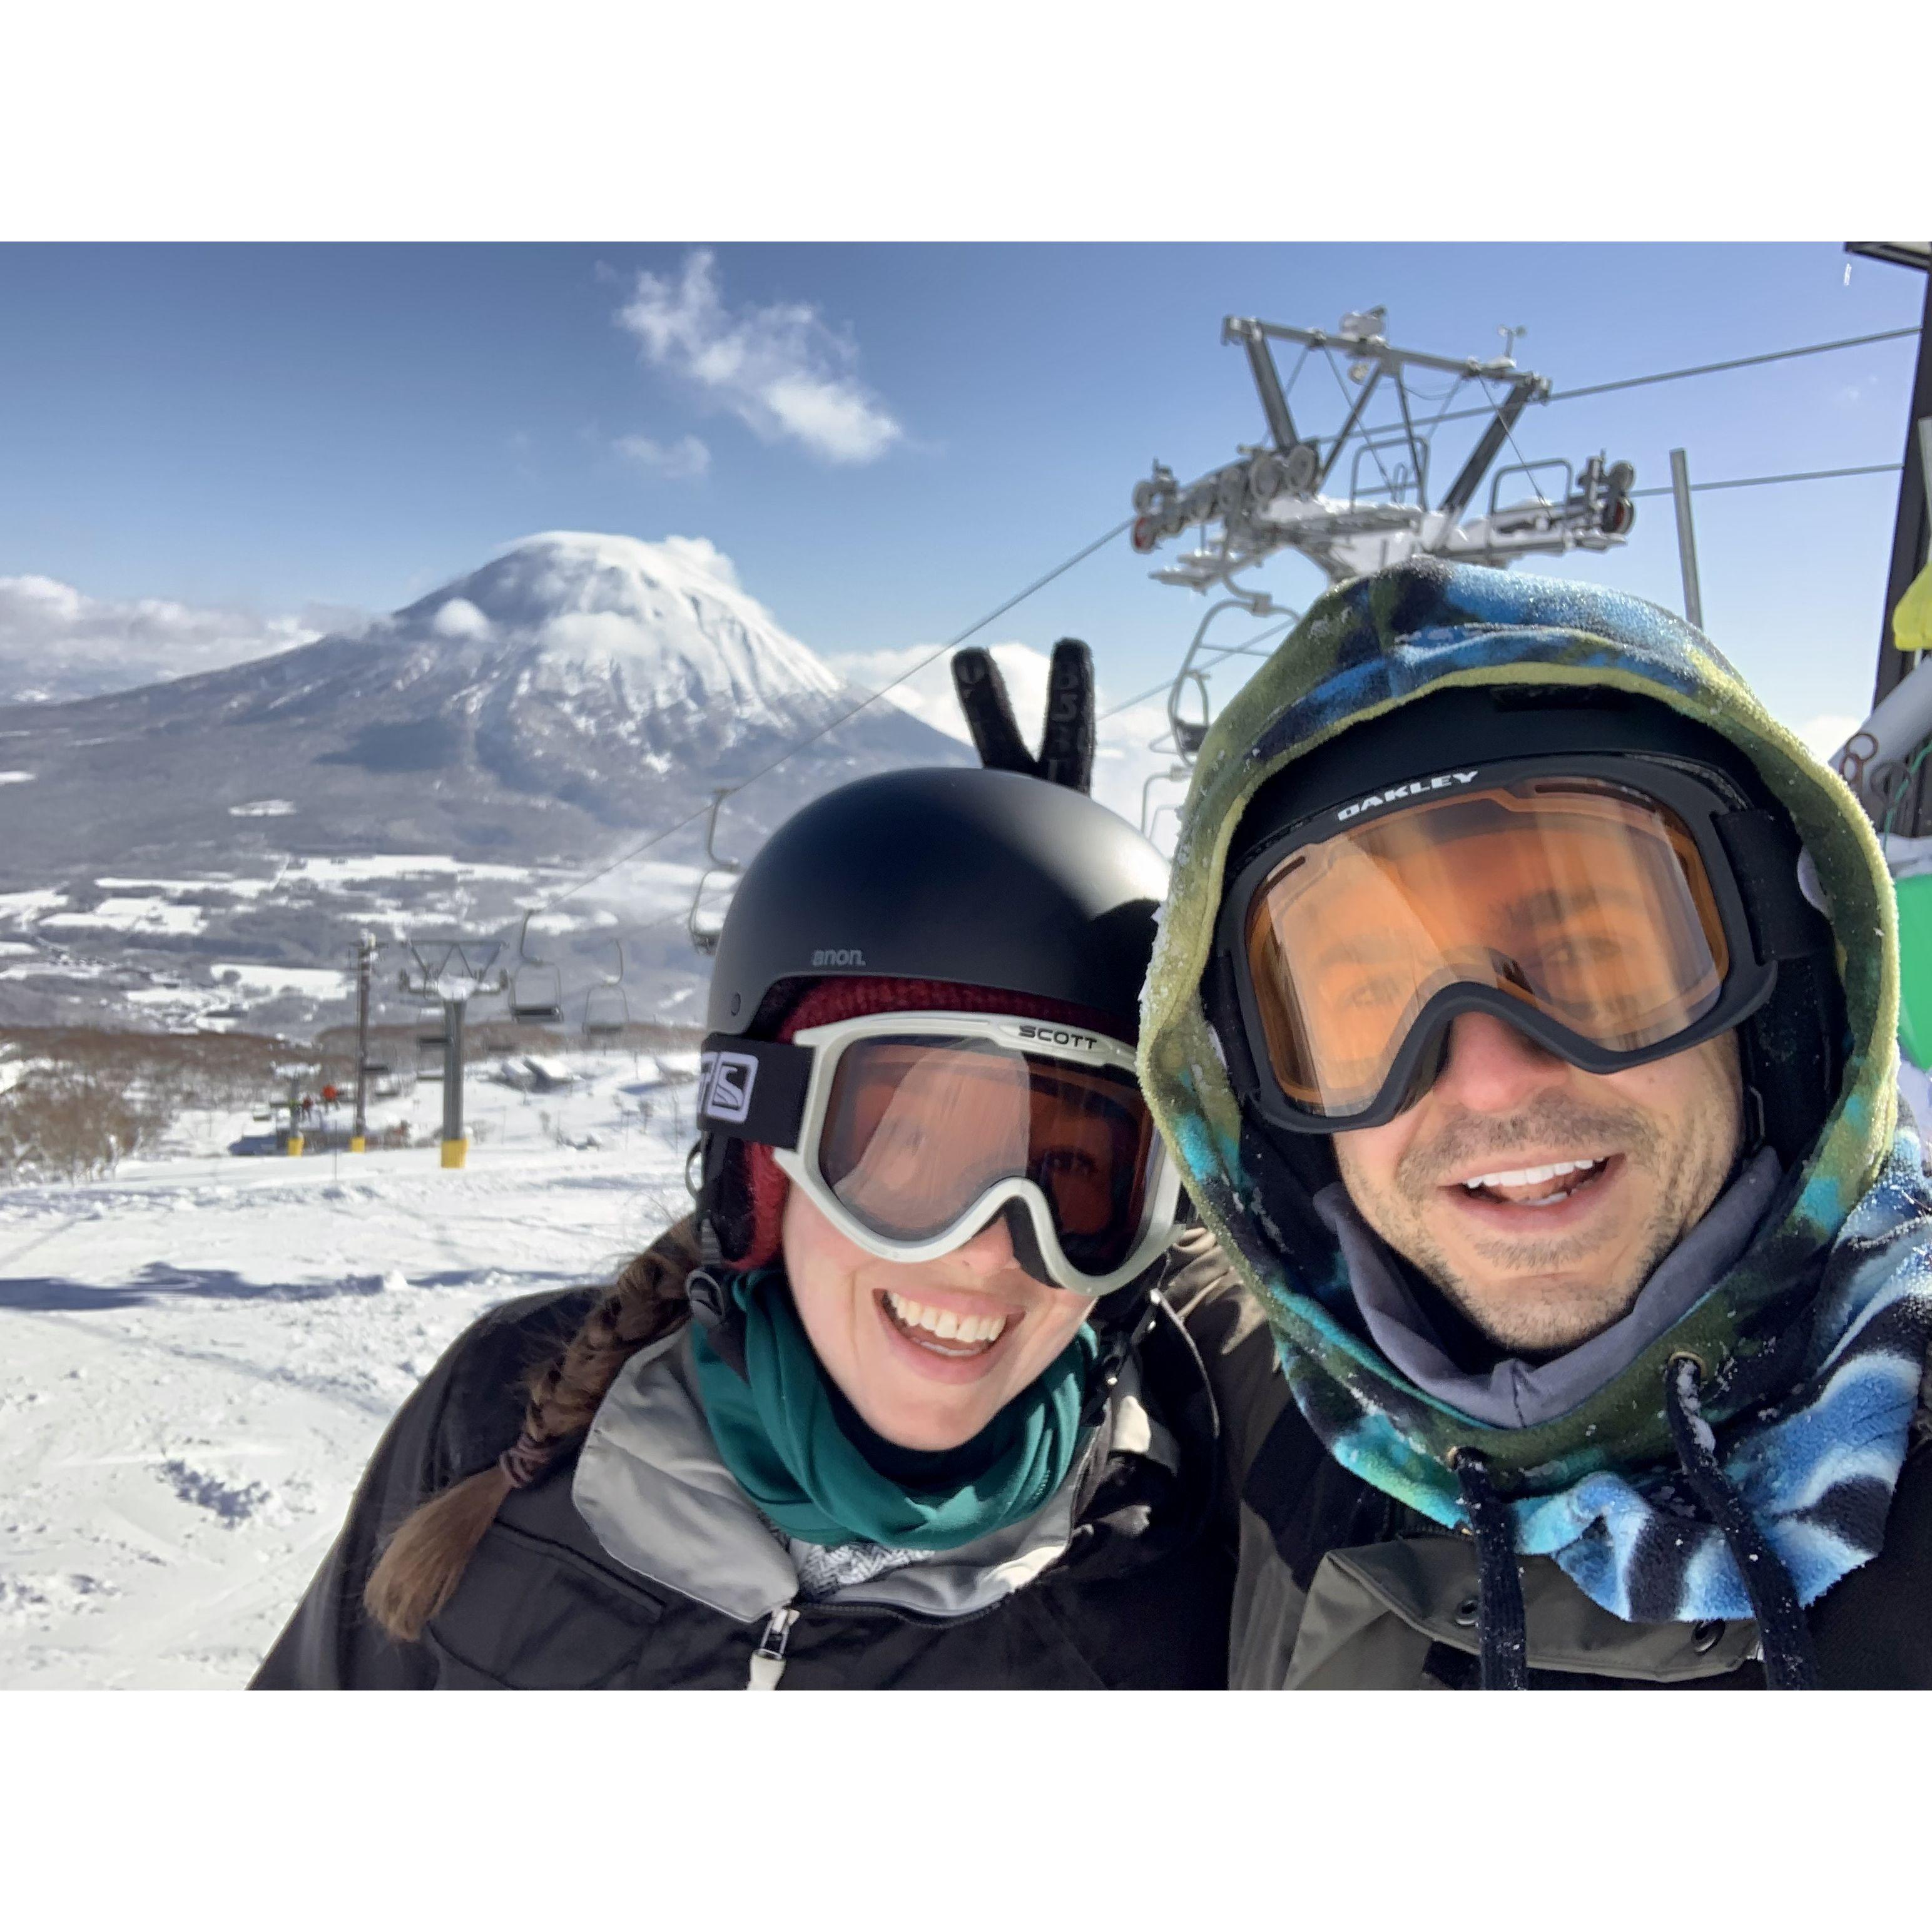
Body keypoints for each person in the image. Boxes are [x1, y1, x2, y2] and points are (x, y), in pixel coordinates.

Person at [253, 758, 1233, 1689]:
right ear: (759, 1176)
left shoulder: (1187, 1564)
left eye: (1072, 1174)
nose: (986, 1249)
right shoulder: (501, 1418)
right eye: (910, 1151)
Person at [1139, 556, 1932, 1689]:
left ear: (1781, 996)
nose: (1494, 1079)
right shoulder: (1283, 1424)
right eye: (1365, 1005)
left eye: (1598, 960)